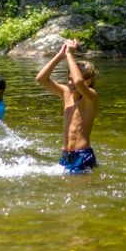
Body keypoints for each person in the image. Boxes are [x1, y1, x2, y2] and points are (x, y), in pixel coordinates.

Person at [35, 39, 98, 174]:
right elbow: (41, 79)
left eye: (72, 79)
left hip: (82, 155)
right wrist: (60, 55)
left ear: (89, 81)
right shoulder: (66, 93)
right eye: (68, 78)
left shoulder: (90, 97)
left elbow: (79, 82)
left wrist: (70, 55)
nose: (70, 82)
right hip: (66, 155)